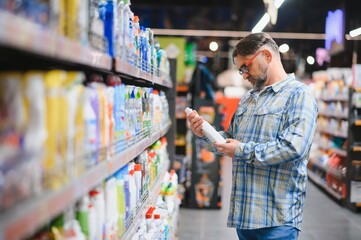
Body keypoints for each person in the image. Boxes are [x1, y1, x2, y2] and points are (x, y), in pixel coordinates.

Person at [186, 32, 318, 240]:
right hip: (245, 217)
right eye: (240, 70)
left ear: (266, 56)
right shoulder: (248, 99)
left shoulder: (299, 95)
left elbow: (293, 147)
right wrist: (205, 133)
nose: (244, 75)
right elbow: (229, 138)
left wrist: (240, 150)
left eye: (245, 67)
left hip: (277, 220)